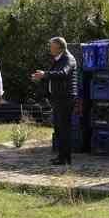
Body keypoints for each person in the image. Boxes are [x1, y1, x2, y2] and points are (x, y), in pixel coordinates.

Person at [30, 37, 77, 166]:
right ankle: (61, 157)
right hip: (58, 98)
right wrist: (41, 77)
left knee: (64, 129)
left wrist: (45, 74)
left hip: (66, 98)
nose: (50, 49)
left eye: (52, 46)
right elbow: (54, 75)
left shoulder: (68, 59)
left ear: (59, 48)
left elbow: (63, 73)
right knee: (59, 128)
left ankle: (65, 158)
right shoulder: (58, 59)